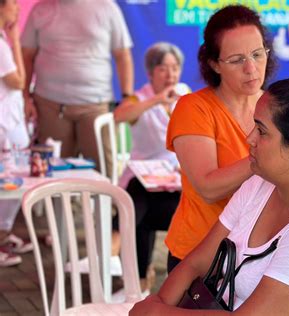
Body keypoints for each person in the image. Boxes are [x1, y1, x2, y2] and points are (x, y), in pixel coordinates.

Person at [130, 78, 289, 315]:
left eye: (261, 131)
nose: (249, 139)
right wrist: (159, 303)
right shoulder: (260, 185)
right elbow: (197, 263)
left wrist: (157, 311)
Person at [164, 4, 276, 272]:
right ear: (214, 64)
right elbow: (207, 187)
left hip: (255, 255)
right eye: (237, 60)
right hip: (199, 257)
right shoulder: (194, 108)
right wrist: (265, 155)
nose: (251, 68)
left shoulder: (276, 106)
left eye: (257, 54)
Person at [21, 0, 134, 176]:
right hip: (49, 106)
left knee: (103, 172)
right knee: (52, 174)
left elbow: (123, 55)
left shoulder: (107, 7)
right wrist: (25, 97)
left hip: (95, 106)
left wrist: (128, 97)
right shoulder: (40, 10)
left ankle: (104, 205)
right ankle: (63, 205)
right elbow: (26, 56)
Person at [112, 42, 190, 295]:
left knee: (136, 217)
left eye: (175, 68)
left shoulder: (185, 94)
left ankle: (135, 277)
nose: (170, 75)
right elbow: (119, 116)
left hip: (176, 182)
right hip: (143, 179)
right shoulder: (140, 98)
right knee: (137, 201)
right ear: (150, 73)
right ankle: (138, 279)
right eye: (163, 69)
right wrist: (158, 99)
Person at [0, 0, 33, 268]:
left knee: (14, 178)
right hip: (5, 126)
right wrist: (16, 40)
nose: (17, 9)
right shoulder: (2, 44)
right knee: (10, 180)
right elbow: (19, 81)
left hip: (10, 123)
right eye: (12, 3)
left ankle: (4, 232)